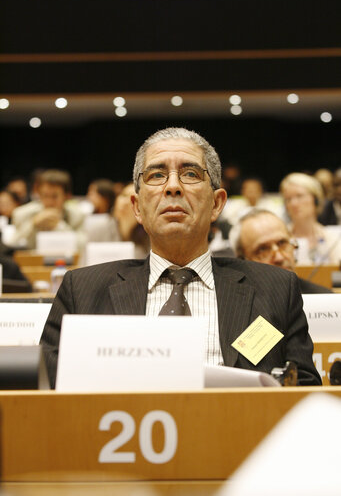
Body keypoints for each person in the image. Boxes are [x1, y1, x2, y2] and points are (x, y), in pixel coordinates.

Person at [41, 127, 321, 388]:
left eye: (190, 174)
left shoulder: (276, 289)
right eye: (156, 175)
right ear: (137, 208)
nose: (172, 187)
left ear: (217, 203)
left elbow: (304, 393)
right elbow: (44, 392)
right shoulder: (83, 291)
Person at [229, 209, 332, 294]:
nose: (279, 257)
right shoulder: (233, 306)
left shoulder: (324, 299)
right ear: (242, 260)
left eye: (282, 243)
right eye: (263, 249)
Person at [11, 169, 85, 249]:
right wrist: (33, 224)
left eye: (54, 196)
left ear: (67, 196)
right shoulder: (22, 213)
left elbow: (82, 246)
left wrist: (59, 225)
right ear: (38, 194)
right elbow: (12, 245)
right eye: (45, 195)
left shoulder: (77, 215)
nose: (49, 202)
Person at [280, 172, 341, 265]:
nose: (293, 203)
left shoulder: (332, 238)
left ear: (315, 199)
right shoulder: (280, 240)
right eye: (288, 199)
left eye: (299, 196)